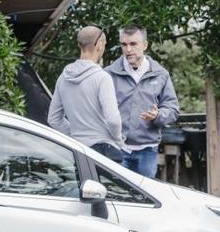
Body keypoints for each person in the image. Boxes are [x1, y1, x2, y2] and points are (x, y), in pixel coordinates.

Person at [105, 25, 180, 178]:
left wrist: (159, 115)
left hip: (148, 151)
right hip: (117, 148)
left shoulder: (160, 74)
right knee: (119, 197)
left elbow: (172, 108)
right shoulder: (108, 74)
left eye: (133, 44)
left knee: (145, 199)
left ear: (145, 45)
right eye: (124, 44)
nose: (128, 49)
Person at [48, 26, 126, 162]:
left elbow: (54, 119)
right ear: (100, 45)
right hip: (104, 152)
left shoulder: (63, 77)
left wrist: (74, 135)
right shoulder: (102, 78)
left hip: (78, 152)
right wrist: (117, 140)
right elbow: (113, 120)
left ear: (79, 45)